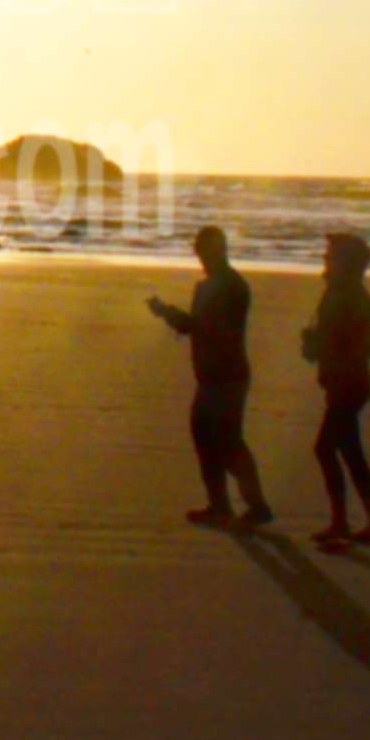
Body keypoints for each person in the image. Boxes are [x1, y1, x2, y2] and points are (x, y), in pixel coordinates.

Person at [147, 226, 273, 527]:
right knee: (204, 436)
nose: (202, 256)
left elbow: (209, 328)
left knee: (229, 442)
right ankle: (220, 506)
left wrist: (171, 315)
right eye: (199, 250)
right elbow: (197, 327)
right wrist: (173, 316)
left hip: (228, 374)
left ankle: (257, 506)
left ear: (222, 249)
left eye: (207, 250)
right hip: (208, 373)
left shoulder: (233, 286)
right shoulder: (206, 286)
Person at [300, 231, 370, 550]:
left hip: (348, 384)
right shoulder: (341, 293)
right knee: (349, 450)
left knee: (325, 448)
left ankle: (342, 522)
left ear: (343, 263)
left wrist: (321, 350)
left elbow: (362, 344)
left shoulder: (349, 296)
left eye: (330, 256)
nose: (325, 260)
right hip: (346, 382)